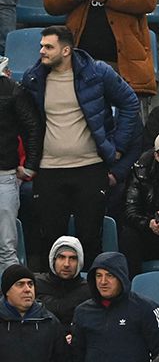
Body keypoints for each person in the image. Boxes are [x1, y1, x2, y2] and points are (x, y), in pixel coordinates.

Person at [20, 25, 140, 267]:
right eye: (41, 46)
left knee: (90, 240)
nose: (42, 51)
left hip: (90, 168)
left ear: (66, 50)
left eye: (48, 47)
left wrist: (116, 147)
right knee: (51, 242)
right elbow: (24, 120)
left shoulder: (97, 73)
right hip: (49, 170)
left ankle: (90, 298)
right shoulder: (33, 79)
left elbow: (130, 103)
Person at [71, 251, 159, 362]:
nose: (103, 282)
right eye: (98, 275)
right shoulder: (82, 312)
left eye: (110, 275)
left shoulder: (146, 309)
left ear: (121, 277)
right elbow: (76, 358)